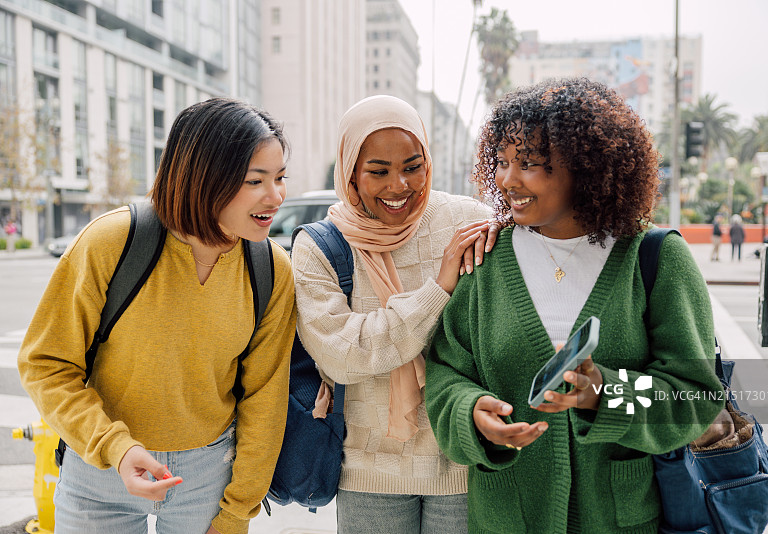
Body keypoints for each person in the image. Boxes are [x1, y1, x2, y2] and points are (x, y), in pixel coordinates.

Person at [424, 78, 724, 533]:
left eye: (530, 164)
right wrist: (471, 414)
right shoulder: (484, 257)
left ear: (587, 167)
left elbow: (693, 394)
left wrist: (607, 393)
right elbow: (446, 373)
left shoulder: (656, 258)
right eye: (502, 162)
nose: (507, 180)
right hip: (506, 517)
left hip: (619, 519)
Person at [18, 97, 296, 534]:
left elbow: (265, 398)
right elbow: (45, 364)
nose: (276, 196)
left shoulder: (271, 269)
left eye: (280, 178)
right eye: (254, 180)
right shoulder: (111, 242)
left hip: (209, 477)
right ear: (203, 178)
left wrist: (238, 509)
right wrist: (116, 448)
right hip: (100, 472)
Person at [291, 95, 497, 534]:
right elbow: (342, 356)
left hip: (462, 462)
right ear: (350, 172)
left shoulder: (471, 221)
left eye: (413, 166)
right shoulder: (320, 247)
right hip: (370, 472)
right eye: (378, 171)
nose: (399, 185)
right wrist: (437, 289)